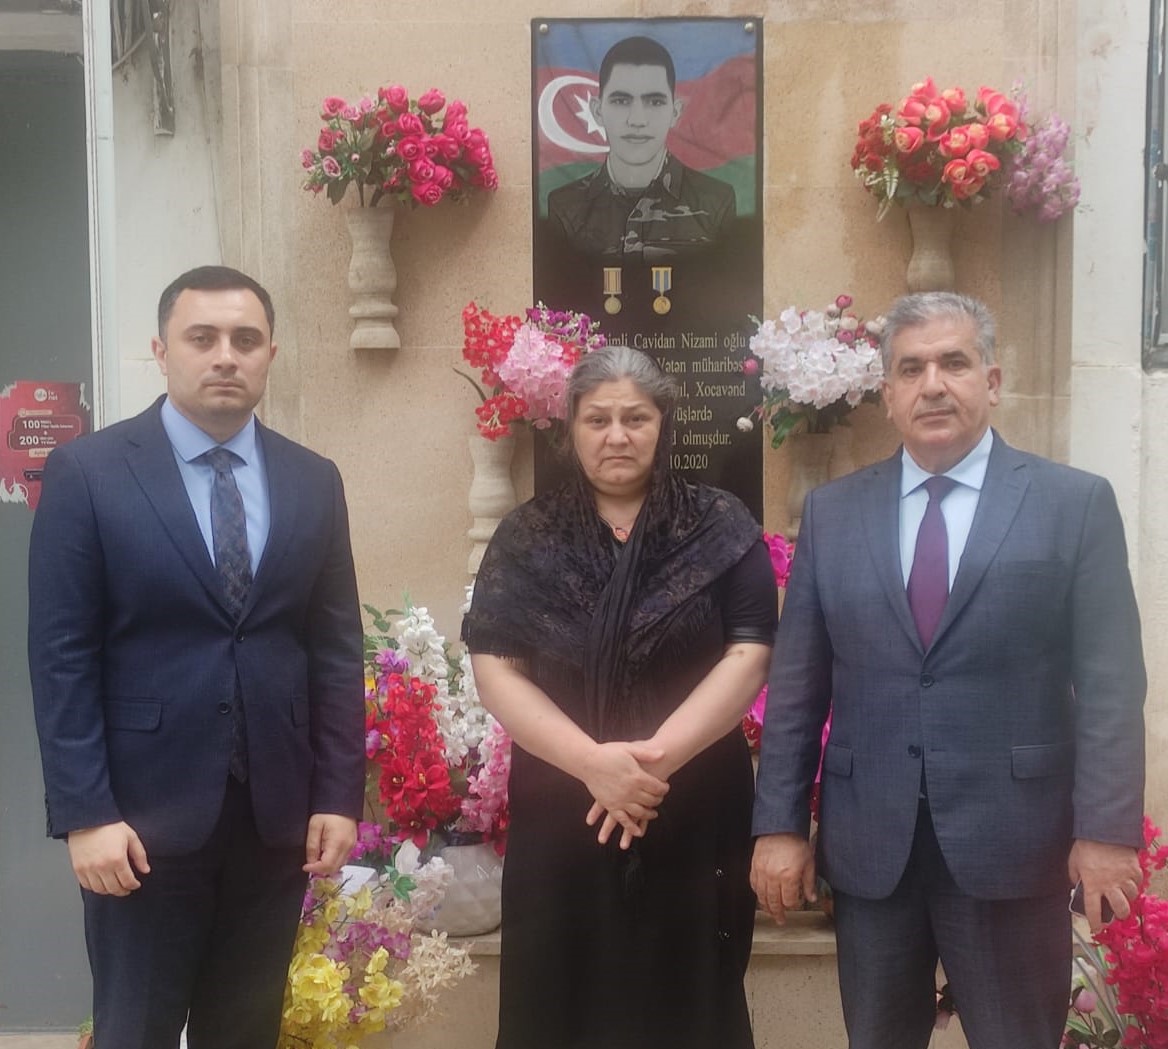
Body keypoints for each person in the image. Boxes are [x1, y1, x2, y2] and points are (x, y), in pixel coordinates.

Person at [750, 292, 1147, 1049]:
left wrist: (1105, 831)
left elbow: (1111, 685)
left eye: (954, 363)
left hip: (1014, 844)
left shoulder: (1072, 504)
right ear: (888, 394)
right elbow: (797, 687)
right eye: (911, 368)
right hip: (873, 852)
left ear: (991, 381)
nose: (933, 384)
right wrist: (779, 825)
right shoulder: (834, 514)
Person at [28, 266, 365, 1049]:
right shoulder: (89, 472)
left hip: (274, 819)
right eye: (202, 337)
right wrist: (86, 814)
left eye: (245, 339)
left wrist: (338, 793)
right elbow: (62, 655)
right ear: (161, 350)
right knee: (135, 1030)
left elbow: (334, 649)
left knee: (245, 1031)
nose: (225, 356)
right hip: (139, 823)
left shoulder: (313, 480)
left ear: (270, 353)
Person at [463, 345, 776, 1049]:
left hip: (692, 799)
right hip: (562, 799)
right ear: (571, 428)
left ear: (664, 424)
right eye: (598, 419)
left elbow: (749, 652)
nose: (617, 435)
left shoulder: (721, 526)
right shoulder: (525, 538)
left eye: (636, 418)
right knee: (560, 997)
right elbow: (498, 669)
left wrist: (649, 765)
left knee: (689, 995)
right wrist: (594, 765)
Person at [546, 35, 737, 259]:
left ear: (675, 112)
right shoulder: (565, 207)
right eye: (621, 101)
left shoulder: (716, 203)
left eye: (655, 102)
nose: (637, 120)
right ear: (598, 111)